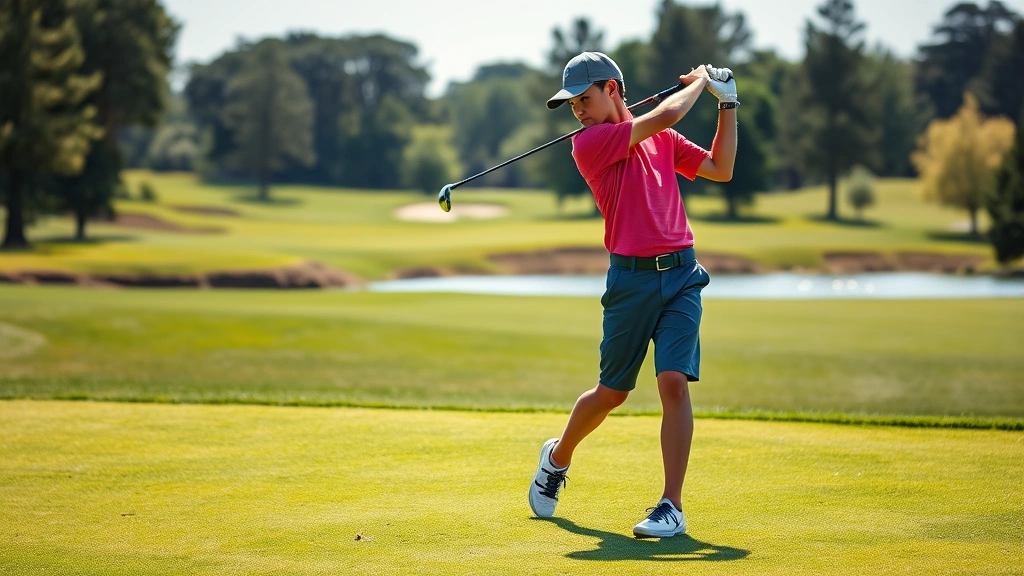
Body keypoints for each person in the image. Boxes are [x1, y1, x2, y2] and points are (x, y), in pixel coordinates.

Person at [528, 51, 738, 538]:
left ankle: (672, 506)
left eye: (584, 98)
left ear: (612, 89)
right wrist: (704, 81)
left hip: (683, 274)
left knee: (673, 382)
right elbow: (666, 112)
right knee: (613, 392)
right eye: (573, 104)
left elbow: (720, 168)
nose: (578, 111)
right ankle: (557, 457)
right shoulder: (590, 143)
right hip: (631, 280)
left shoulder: (660, 139)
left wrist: (728, 106)